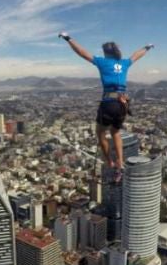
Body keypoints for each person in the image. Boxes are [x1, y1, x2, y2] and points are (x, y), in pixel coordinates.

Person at [59, 32, 154, 183]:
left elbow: (82, 52)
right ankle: (120, 164)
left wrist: (68, 38)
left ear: (106, 52)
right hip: (122, 103)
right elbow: (136, 55)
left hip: (109, 103)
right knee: (116, 133)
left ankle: (109, 161)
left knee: (100, 132)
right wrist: (147, 47)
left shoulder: (103, 62)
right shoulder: (124, 63)